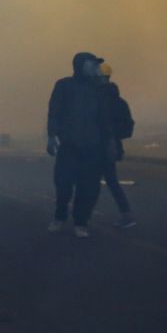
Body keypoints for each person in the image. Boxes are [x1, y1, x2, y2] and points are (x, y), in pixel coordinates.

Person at [47, 52, 111, 238]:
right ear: (80, 65)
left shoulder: (99, 89)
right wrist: (52, 136)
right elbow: (54, 112)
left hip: (92, 147)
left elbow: (104, 118)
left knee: (89, 187)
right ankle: (59, 216)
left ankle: (81, 222)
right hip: (69, 145)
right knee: (64, 184)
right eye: (92, 64)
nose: (95, 68)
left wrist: (109, 142)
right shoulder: (64, 85)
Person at [98, 63, 136, 228]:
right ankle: (126, 215)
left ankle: (80, 218)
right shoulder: (119, 101)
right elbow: (128, 128)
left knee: (86, 180)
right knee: (111, 181)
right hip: (108, 147)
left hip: (97, 146)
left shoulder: (94, 100)